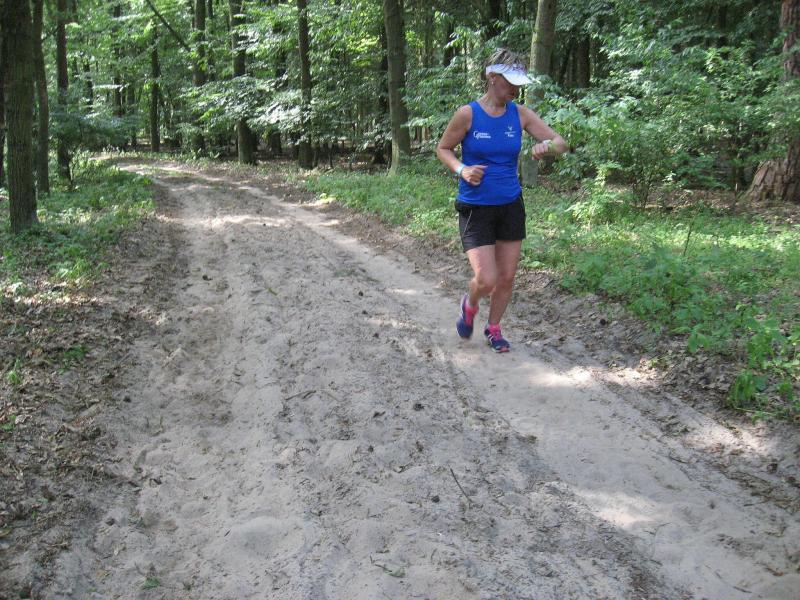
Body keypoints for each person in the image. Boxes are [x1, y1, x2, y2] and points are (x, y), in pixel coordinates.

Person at [436, 49, 567, 353]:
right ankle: (470, 303)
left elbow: (561, 142)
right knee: (487, 278)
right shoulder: (468, 114)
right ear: (492, 77)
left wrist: (547, 147)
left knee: (506, 277)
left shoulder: (520, 114)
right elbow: (443, 148)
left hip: (510, 204)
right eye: (510, 82)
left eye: (519, 84)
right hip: (476, 207)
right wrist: (462, 169)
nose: (515, 89)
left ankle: (493, 328)